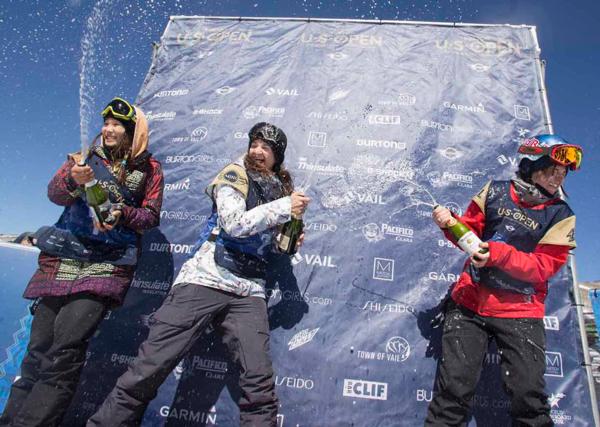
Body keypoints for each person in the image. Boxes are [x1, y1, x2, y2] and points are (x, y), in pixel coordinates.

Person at [88, 122, 311, 427]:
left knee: (259, 387)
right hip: (204, 279)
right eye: (254, 144)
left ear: (277, 155)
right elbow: (233, 223)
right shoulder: (235, 174)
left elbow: (271, 243)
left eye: (266, 147)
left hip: (249, 290)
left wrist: (288, 240)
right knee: (148, 369)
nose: (257, 151)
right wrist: (285, 206)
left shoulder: (279, 189)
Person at [0, 97, 164, 427]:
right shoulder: (83, 158)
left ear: (134, 133)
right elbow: (55, 194)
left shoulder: (149, 169)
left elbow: (150, 217)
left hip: (106, 266)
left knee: (64, 351)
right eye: (106, 123)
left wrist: (123, 213)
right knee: (37, 352)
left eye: (118, 124)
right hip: (63, 259)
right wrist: (73, 179)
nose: (108, 129)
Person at [425, 134, 582, 426]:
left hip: (520, 313)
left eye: (562, 174)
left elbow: (544, 266)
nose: (558, 178)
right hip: (468, 306)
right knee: (451, 396)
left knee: (529, 401)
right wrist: (450, 224)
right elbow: (468, 233)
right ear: (533, 164)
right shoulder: (494, 191)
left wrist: (496, 254)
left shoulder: (561, 214)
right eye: (552, 169)